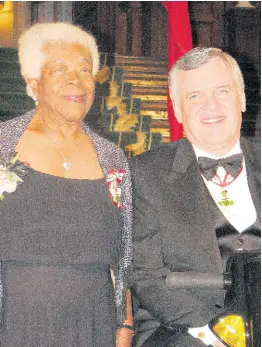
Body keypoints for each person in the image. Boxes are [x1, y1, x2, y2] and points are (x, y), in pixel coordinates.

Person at [0, 22, 133, 347]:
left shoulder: (112, 157)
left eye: (85, 69)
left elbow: (125, 251)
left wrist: (125, 326)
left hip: (94, 324)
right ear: (33, 81)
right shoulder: (3, 145)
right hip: (16, 322)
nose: (75, 80)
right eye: (59, 69)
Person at [130, 47, 260, 347]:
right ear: (177, 109)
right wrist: (217, 333)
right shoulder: (146, 173)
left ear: (241, 98)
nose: (210, 106)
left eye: (222, 91)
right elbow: (146, 275)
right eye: (195, 96)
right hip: (185, 329)